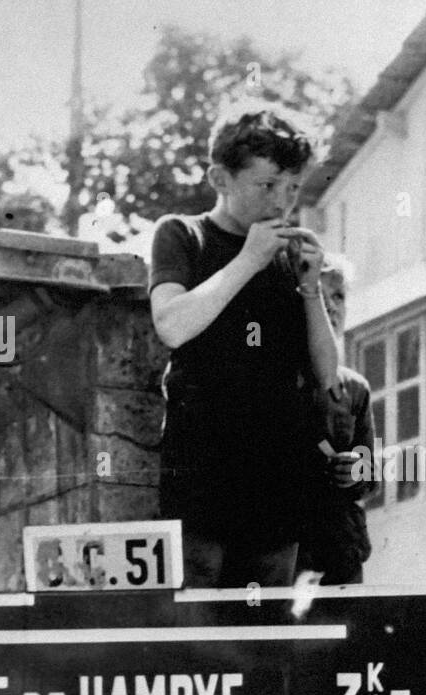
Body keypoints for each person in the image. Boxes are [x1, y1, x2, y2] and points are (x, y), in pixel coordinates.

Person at [148, 102, 342, 589]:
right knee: (198, 635)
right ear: (221, 178)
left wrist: (311, 287)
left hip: (277, 483)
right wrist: (249, 260)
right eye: (267, 186)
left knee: (266, 642)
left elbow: (327, 373)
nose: (282, 203)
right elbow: (172, 325)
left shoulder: (288, 257)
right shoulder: (182, 235)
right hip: (201, 479)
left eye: (294, 189)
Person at [295, 255, 377, 585]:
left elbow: (371, 475)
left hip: (340, 551)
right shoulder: (272, 382)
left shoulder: (355, 389)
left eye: (339, 296)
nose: (331, 306)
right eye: (319, 293)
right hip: (286, 551)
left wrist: (356, 470)